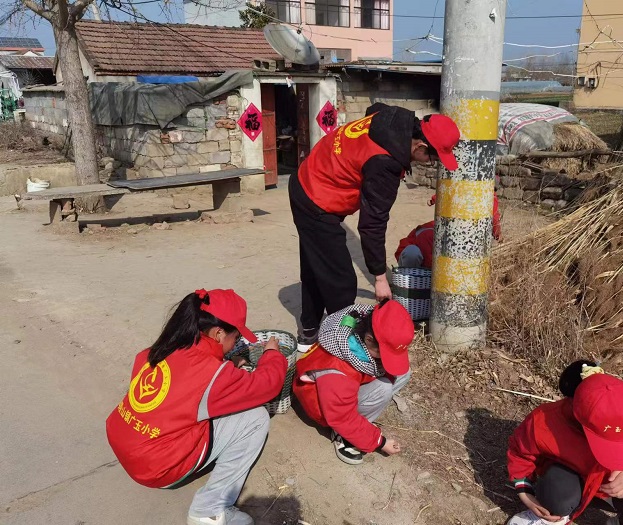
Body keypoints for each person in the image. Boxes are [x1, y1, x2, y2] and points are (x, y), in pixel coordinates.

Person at [106, 289, 288, 525]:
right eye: (235, 337)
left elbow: (181, 388)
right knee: (255, 419)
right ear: (219, 333)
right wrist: (272, 355)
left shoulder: (162, 347)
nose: (236, 344)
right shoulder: (211, 374)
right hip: (157, 467)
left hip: (126, 444)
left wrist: (226, 362)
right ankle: (209, 510)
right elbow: (267, 386)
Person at [289, 103, 460, 350]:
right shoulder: (385, 164)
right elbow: (372, 224)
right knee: (341, 282)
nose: (431, 163)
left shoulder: (393, 119)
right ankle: (343, 345)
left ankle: (308, 332)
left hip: (311, 175)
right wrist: (380, 277)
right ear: (420, 145)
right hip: (315, 197)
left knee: (317, 265)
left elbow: (372, 107)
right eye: (432, 158)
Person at [506, 361, 623, 525]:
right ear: (577, 411)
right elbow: (520, 452)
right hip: (570, 482)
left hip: (613, 488)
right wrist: (524, 490)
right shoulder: (545, 422)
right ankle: (554, 517)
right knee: (557, 496)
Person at [293, 300, 414, 464]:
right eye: (385, 352)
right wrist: (379, 441)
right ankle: (342, 434)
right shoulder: (337, 370)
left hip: (340, 388)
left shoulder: (362, 323)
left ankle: (357, 424)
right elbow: (341, 416)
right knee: (384, 388)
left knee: (402, 372)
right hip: (324, 404)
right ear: (369, 340)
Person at [394, 190, 502, 268]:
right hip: (414, 262)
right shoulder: (430, 233)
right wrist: (498, 235)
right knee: (413, 253)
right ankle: (407, 289)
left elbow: (446, 191)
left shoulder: (480, 193)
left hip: (427, 258)